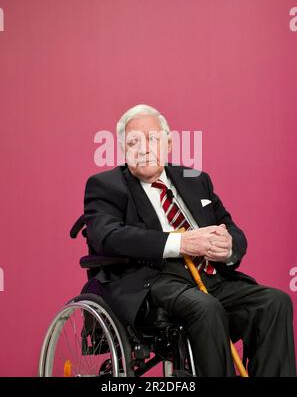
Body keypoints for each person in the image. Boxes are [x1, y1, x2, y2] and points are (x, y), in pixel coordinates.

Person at [84, 104, 296, 377]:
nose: (143, 148)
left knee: (274, 302)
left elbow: (230, 227)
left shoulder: (196, 179)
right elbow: (107, 237)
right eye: (133, 142)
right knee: (206, 308)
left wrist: (228, 246)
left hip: (211, 277)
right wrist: (179, 243)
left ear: (168, 143)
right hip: (155, 279)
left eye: (151, 139)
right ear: (123, 149)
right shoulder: (106, 185)